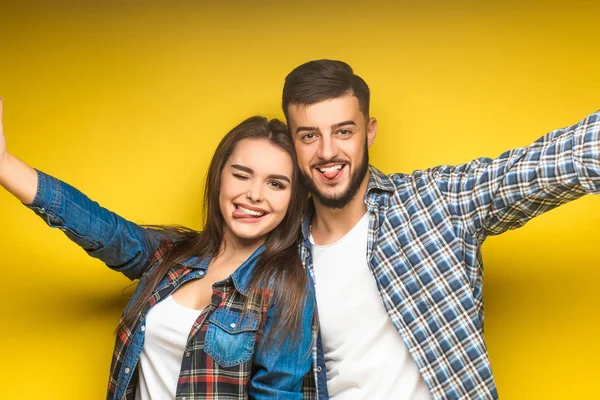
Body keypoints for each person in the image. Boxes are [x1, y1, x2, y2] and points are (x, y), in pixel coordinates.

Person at [282, 60, 600, 399]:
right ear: (292, 143)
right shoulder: (283, 256)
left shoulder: (435, 202)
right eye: (309, 136)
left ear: (369, 131)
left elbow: (545, 165)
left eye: (343, 131)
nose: (327, 152)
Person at [0, 97, 315, 400]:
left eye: (276, 184)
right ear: (220, 178)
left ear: (293, 198)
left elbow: (277, 394)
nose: (254, 195)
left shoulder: (287, 289)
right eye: (241, 175)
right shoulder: (170, 256)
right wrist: (5, 165)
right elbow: (97, 226)